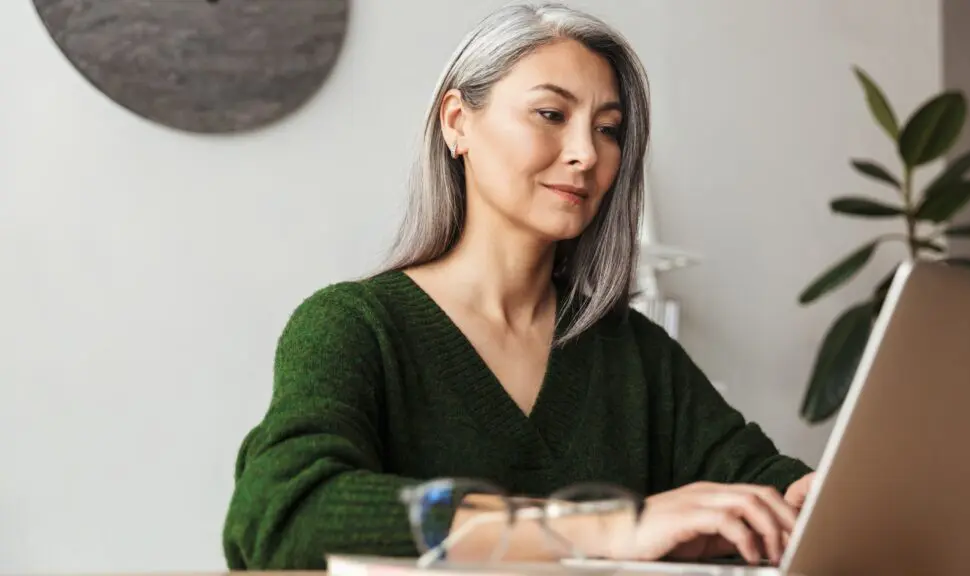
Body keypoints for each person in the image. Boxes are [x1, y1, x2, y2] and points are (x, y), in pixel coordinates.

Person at [222, 2, 815, 571]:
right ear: (458, 123)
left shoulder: (633, 352)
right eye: (551, 115)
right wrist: (608, 528)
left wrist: (817, 498)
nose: (586, 154)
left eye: (608, 129)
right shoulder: (354, 327)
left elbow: (763, 486)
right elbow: (284, 514)